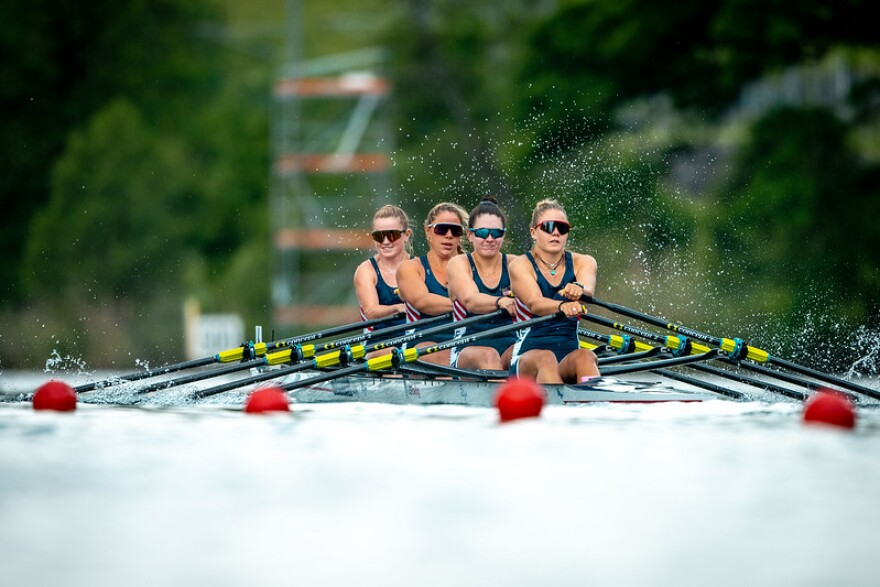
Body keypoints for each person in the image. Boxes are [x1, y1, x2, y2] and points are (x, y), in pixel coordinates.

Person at [509, 199, 600, 384]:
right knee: (546, 358)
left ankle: (595, 404)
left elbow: (588, 290)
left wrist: (579, 289)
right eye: (548, 227)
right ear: (533, 232)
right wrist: (562, 306)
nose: (556, 232)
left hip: (567, 356)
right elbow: (535, 303)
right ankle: (557, 407)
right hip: (527, 358)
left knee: (586, 356)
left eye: (562, 228)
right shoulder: (520, 265)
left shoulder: (584, 262)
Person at [447, 196, 519, 370]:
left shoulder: (515, 264)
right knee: (489, 355)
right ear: (470, 235)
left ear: (503, 235)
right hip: (468, 346)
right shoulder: (459, 263)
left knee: (536, 354)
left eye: (496, 233)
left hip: (510, 343)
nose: (489, 238)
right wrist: (499, 301)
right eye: (482, 233)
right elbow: (471, 300)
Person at [396, 202, 468, 365]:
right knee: (443, 355)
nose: (448, 235)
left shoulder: (472, 267)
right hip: (425, 344)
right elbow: (423, 301)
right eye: (441, 229)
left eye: (455, 231)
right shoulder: (411, 268)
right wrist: (475, 302)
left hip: (467, 342)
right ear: (428, 231)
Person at [353, 204, 412, 333]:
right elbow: (371, 312)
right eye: (379, 236)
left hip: (414, 339)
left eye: (392, 235)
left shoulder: (419, 266)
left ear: (406, 235)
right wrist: (397, 308)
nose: (385, 242)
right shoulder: (366, 270)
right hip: (379, 342)